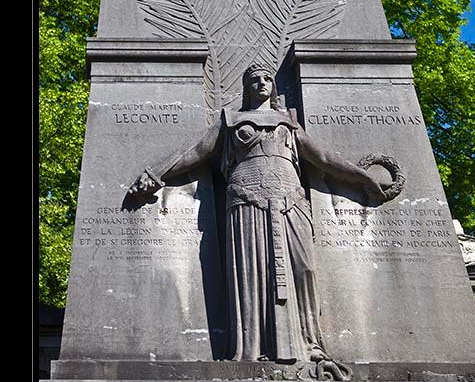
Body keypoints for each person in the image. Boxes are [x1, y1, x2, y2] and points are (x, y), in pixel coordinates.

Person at [128, 65, 392, 363]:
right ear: (246, 87)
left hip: (291, 201)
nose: (261, 83)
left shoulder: (288, 122)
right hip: (246, 199)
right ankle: (254, 349)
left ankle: (307, 344)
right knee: (251, 271)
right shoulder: (231, 121)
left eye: (267, 78)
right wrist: (157, 174)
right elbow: (195, 152)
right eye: (254, 79)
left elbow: (323, 157)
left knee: (303, 268)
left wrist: (362, 177)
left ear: (274, 85)